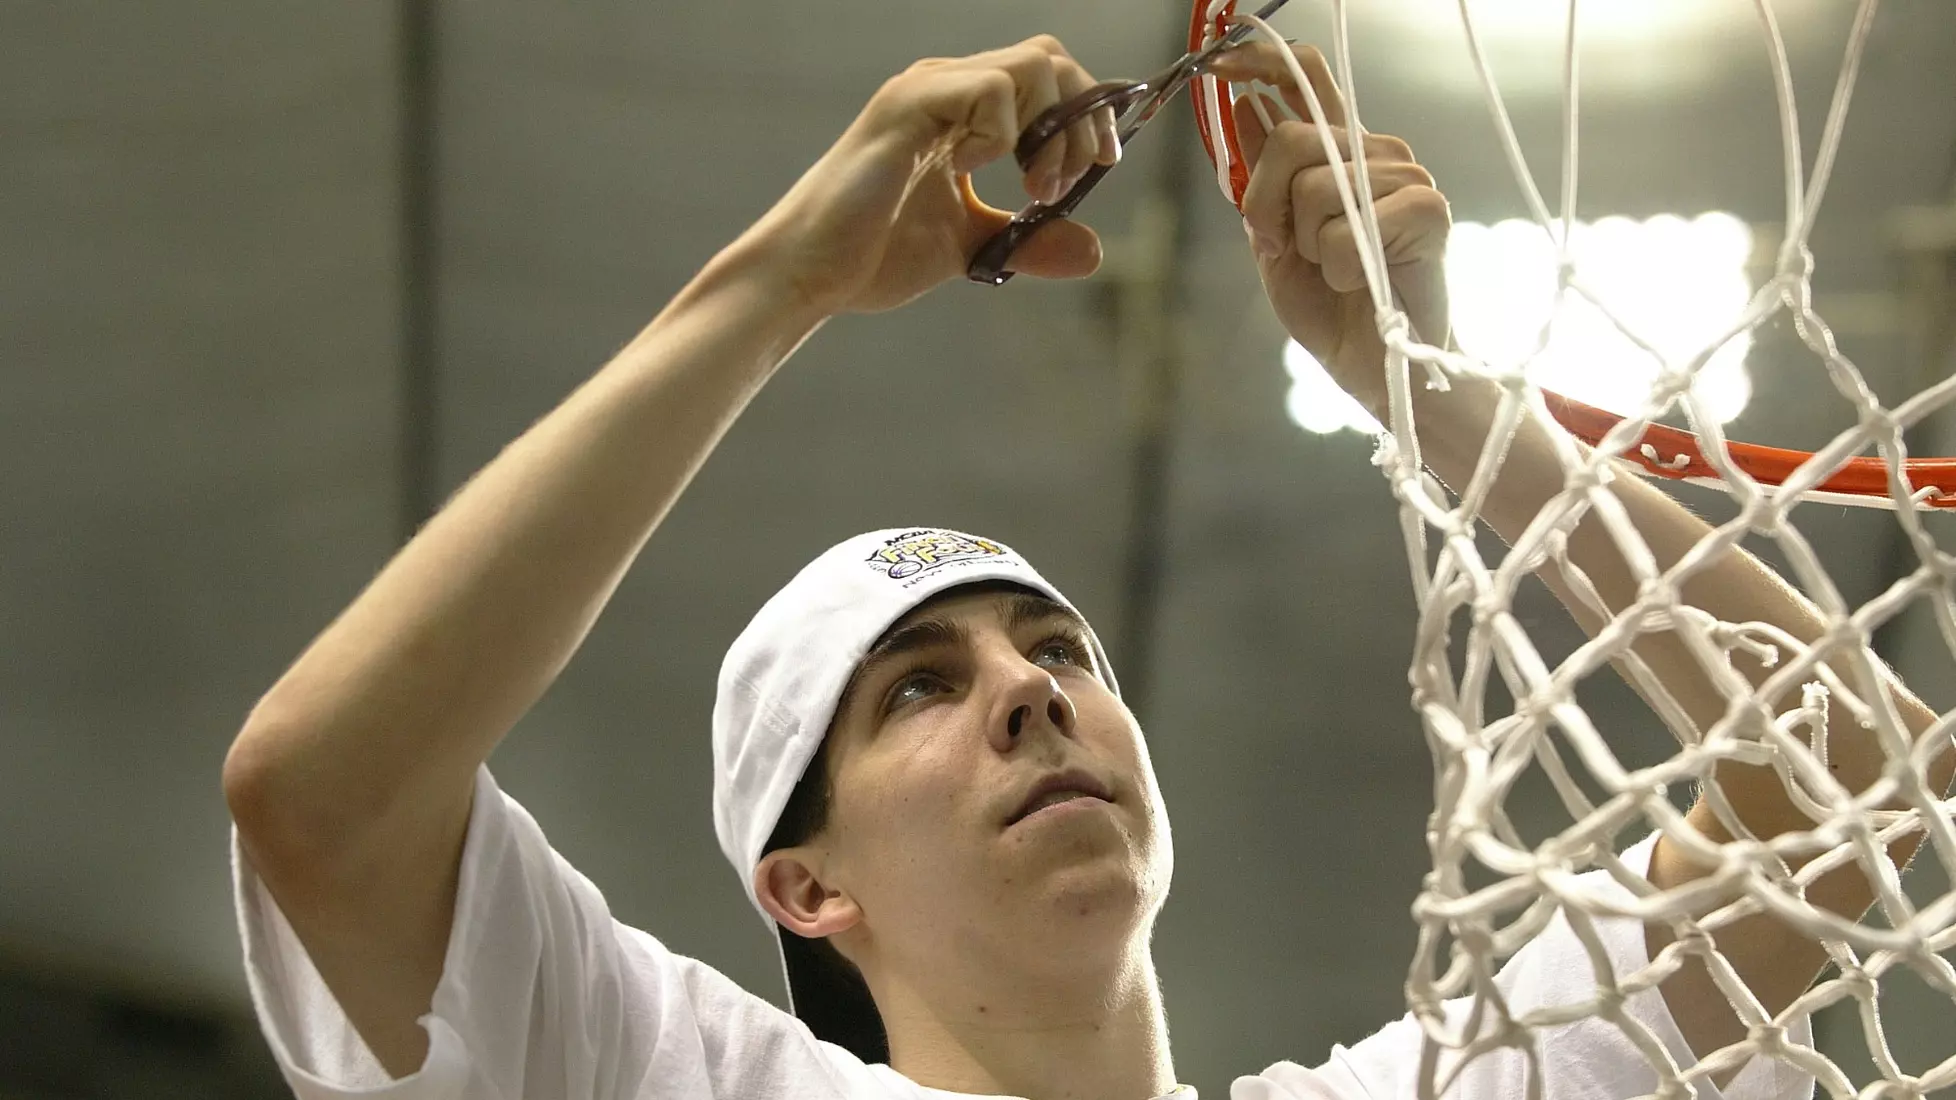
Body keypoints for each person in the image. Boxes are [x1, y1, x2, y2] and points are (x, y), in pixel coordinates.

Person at [223, 34, 1941, 1100]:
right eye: (918, 687)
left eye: (1058, 653)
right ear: (804, 887)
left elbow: (1845, 777)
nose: (1032, 691)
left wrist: (1439, 404)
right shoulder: (671, 1074)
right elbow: (320, 789)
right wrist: (775, 287)